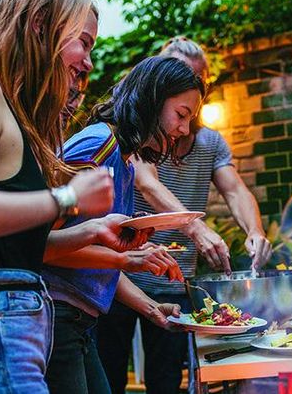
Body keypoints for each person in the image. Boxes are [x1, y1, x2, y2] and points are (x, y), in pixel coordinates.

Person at [0, 0, 140, 392]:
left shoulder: (24, 128)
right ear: (40, 26)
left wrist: (92, 231)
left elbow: (11, 248)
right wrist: (67, 199)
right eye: (84, 42)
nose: (89, 62)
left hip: (17, 327)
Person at [97, 37, 273, 394]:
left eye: (196, 81)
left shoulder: (210, 143)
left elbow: (236, 190)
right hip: (121, 275)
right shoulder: (143, 136)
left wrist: (255, 230)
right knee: (109, 376)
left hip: (175, 281)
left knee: (166, 382)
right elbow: (147, 182)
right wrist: (195, 227)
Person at [42, 55, 206, 393]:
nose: (184, 129)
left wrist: (150, 307)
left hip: (79, 321)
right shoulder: (97, 144)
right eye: (181, 115)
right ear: (152, 99)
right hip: (55, 316)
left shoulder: (125, 163)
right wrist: (126, 259)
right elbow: (44, 245)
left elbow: (90, 252)